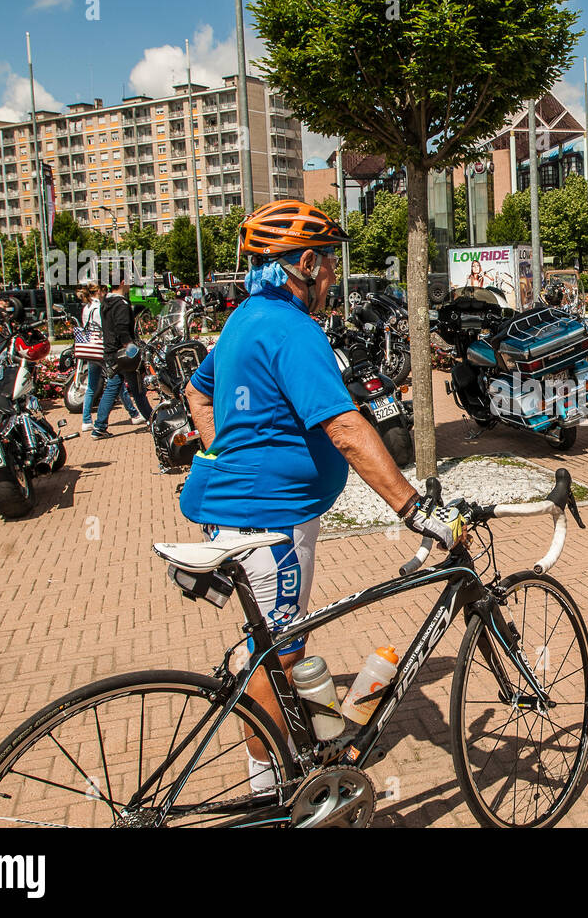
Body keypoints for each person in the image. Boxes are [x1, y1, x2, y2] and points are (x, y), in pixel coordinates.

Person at [179, 199, 464, 789]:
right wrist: (414, 508)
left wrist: (223, 451)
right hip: (270, 520)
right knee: (276, 658)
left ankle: (288, 757)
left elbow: (196, 391)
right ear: (305, 264)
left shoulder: (244, 318)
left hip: (244, 511)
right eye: (329, 266)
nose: (333, 280)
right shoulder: (293, 328)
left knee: (277, 643)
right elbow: (346, 427)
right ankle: (267, 794)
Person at [90, 276, 154, 439]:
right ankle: (153, 421)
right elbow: (122, 329)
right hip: (124, 355)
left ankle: (99, 427)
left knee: (112, 387)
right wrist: (132, 349)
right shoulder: (121, 304)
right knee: (138, 389)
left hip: (111, 352)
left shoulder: (106, 303)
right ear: (123, 283)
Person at [78, 285, 143, 432]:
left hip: (90, 350)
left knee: (92, 386)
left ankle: (87, 420)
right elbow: (108, 328)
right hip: (104, 349)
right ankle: (134, 413)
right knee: (116, 383)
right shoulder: (101, 306)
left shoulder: (86, 308)